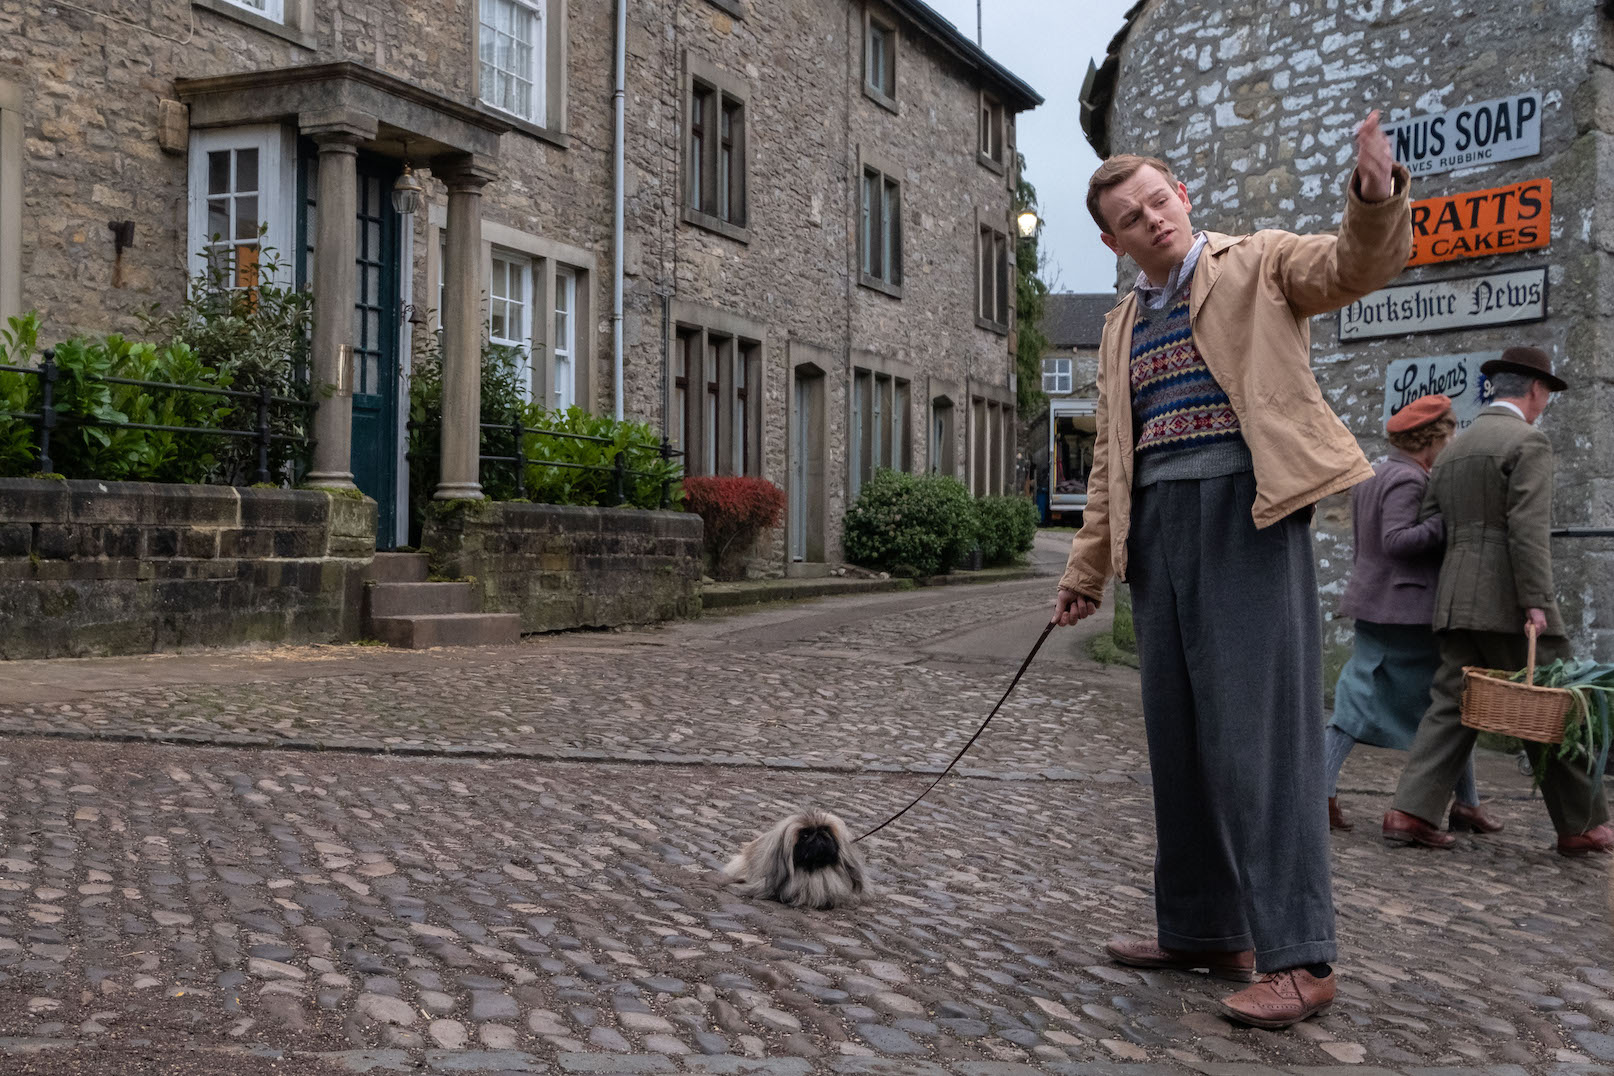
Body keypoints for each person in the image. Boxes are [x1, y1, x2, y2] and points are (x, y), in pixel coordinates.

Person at [1053, 112, 1411, 1030]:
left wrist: (1374, 197)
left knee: (1264, 745)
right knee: (1180, 742)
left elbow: (1349, 268)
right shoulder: (1120, 323)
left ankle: (1302, 957)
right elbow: (1111, 463)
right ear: (1112, 240)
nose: (1152, 220)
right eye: (1130, 217)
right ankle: (1206, 928)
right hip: (1157, 534)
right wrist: (1088, 565)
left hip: (1247, 516)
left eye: (1159, 200)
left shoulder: (1257, 263)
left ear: (1184, 197)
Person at [1384, 347, 1613, 855]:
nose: (1545, 404)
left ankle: (1409, 810)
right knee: (1557, 707)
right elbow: (1527, 532)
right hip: (1508, 603)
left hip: (1455, 599)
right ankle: (1582, 825)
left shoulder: (1456, 448)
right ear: (1534, 390)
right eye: (1546, 395)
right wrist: (1535, 602)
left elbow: (1431, 522)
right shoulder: (1528, 442)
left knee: (1451, 705)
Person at [1325, 394, 1501, 834]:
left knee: (1428, 703)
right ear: (1431, 438)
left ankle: (1467, 803)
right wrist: (1452, 523)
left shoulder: (1374, 473)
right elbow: (1397, 540)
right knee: (1448, 705)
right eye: (1448, 436)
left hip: (1376, 603)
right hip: (1404, 612)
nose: (1451, 442)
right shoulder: (1409, 480)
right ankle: (1319, 792)